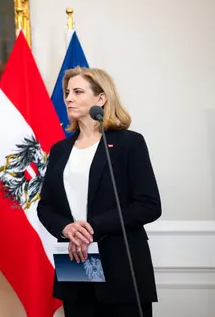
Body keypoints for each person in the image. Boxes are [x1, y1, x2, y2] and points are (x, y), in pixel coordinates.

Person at [37, 67, 161, 317]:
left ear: (101, 98)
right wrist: (66, 228)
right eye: (67, 92)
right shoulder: (60, 149)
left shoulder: (128, 143)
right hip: (76, 257)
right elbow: (46, 206)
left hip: (120, 261)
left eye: (78, 92)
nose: (68, 98)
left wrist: (92, 227)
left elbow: (148, 205)